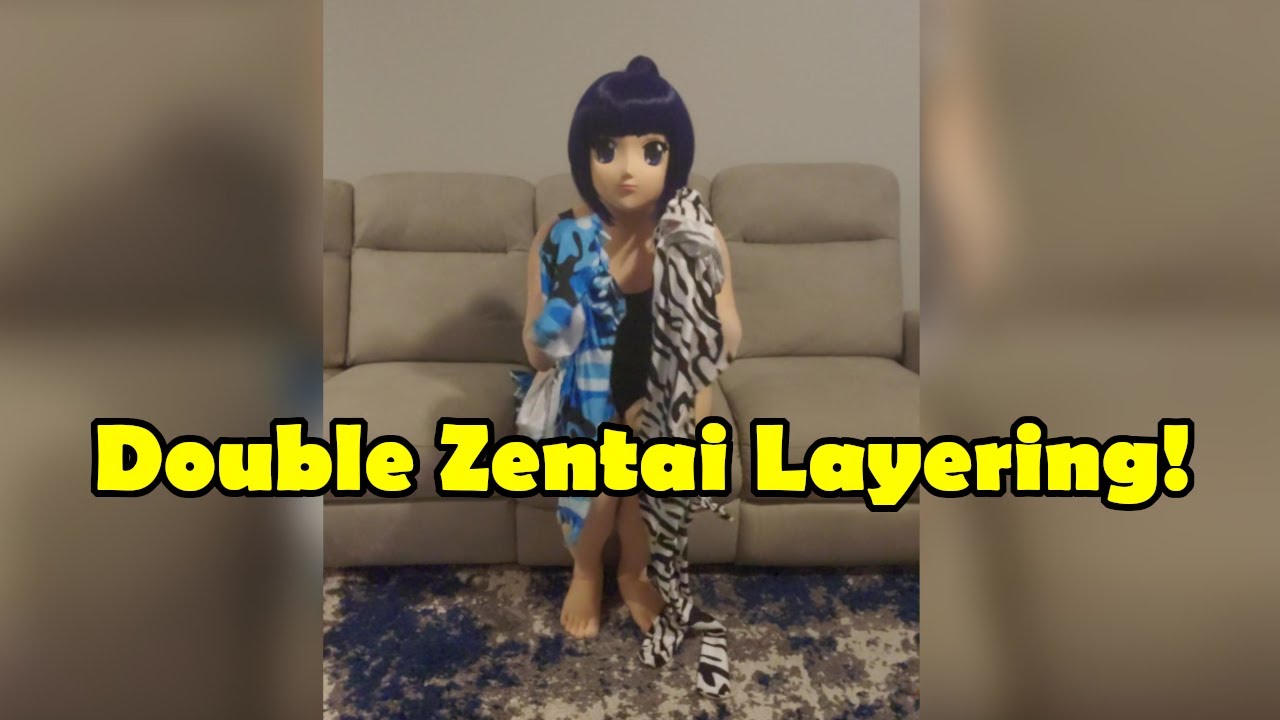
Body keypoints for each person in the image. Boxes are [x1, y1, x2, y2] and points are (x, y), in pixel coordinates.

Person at [519, 55, 742, 640]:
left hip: (668, 391)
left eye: (650, 151)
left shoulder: (698, 234)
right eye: (606, 149)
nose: (626, 170)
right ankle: (587, 570)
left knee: (654, 483)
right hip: (585, 390)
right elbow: (536, 356)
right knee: (599, 491)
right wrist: (556, 324)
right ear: (584, 155)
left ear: (674, 157)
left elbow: (726, 342)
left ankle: (633, 572)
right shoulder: (558, 238)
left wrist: (699, 273)